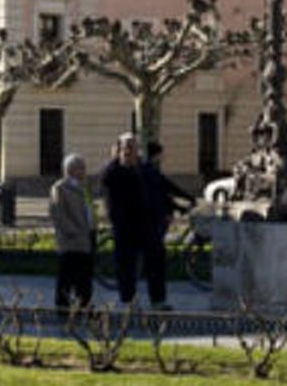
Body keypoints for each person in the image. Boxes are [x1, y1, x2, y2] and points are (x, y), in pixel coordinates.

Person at [100, 132, 160, 307]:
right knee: (126, 265)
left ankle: (157, 299)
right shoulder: (113, 170)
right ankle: (128, 299)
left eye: (133, 147)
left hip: (146, 224)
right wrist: (115, 160)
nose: (130, 151)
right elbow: (105, 181)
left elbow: (156, 188)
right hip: (124, 226)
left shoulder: (144, 168)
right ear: (119, 149)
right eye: (126, 147)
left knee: (154, 263)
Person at [139, 142, 196, 310]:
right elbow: (164, 192)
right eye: (161, 154)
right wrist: (182, 204)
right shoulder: (149, 172)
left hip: (156, 221)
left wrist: (184, 201)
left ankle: (158, 299)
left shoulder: (150, 171)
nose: (163, 157)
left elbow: (167, 189)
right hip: (152, 224)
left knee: (156, 263)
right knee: (156, 264)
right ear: (156, 155)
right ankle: (157, 301)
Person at [50, 153, 94, 310]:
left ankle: (85, 304)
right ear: (71, 170)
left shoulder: (84, 187)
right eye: (80, 168)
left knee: (84, 274)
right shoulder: (60, 188)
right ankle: (62, 305)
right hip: (71, 239)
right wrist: (72, 231)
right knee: (67, 274)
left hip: (85, 237)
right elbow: (58, 213)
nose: (84, 171)